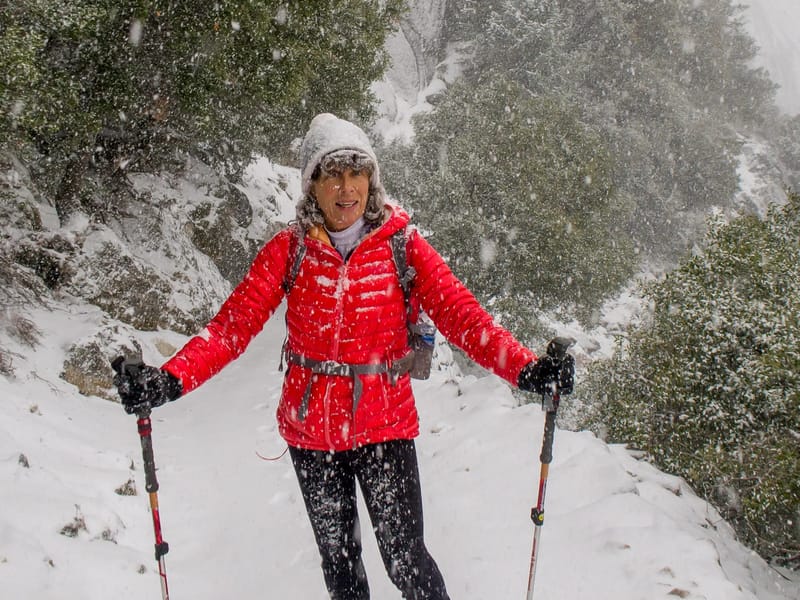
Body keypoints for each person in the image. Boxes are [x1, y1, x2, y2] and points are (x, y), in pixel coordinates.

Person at [113, 113, 575, 600]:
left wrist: (526, 369)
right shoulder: (288, 251)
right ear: (311, 184)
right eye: (332, 174)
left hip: (386, 427)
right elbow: (231, 328)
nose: (346, 188)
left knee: (408, 561)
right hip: (312, 435)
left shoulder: (404, 247)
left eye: (357, 173)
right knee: (341, 568)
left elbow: (465, 318)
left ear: (371, 181)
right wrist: (169, 380)